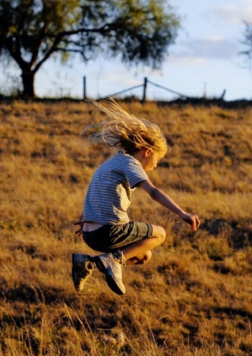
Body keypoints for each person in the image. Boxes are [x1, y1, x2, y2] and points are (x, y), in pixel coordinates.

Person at [72, 101, 201, 295]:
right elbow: (154, 192)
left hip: (91, 235)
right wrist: (181, 213)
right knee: (160, 234)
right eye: (156, 160)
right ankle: (112, 261)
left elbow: (98, 191)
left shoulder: (111, 163)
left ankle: (89, 262)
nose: (155, 166)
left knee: (144, 255)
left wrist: (86, 219)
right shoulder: (130, 163)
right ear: (147, 152)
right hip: (109, 231)